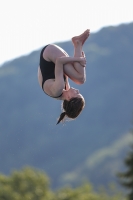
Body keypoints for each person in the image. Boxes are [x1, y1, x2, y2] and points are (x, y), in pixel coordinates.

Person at [38, 29, 90, 124]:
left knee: (80, 79)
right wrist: (79, 60)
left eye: (77, 94)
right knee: (80, 79)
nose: (78, 91)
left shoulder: (59, 88)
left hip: (49, 53)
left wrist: (78, 59)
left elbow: (59, 61)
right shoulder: (63, 91)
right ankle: (78, 45)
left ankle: (77, 44)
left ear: (69, 98)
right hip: (52, 59)